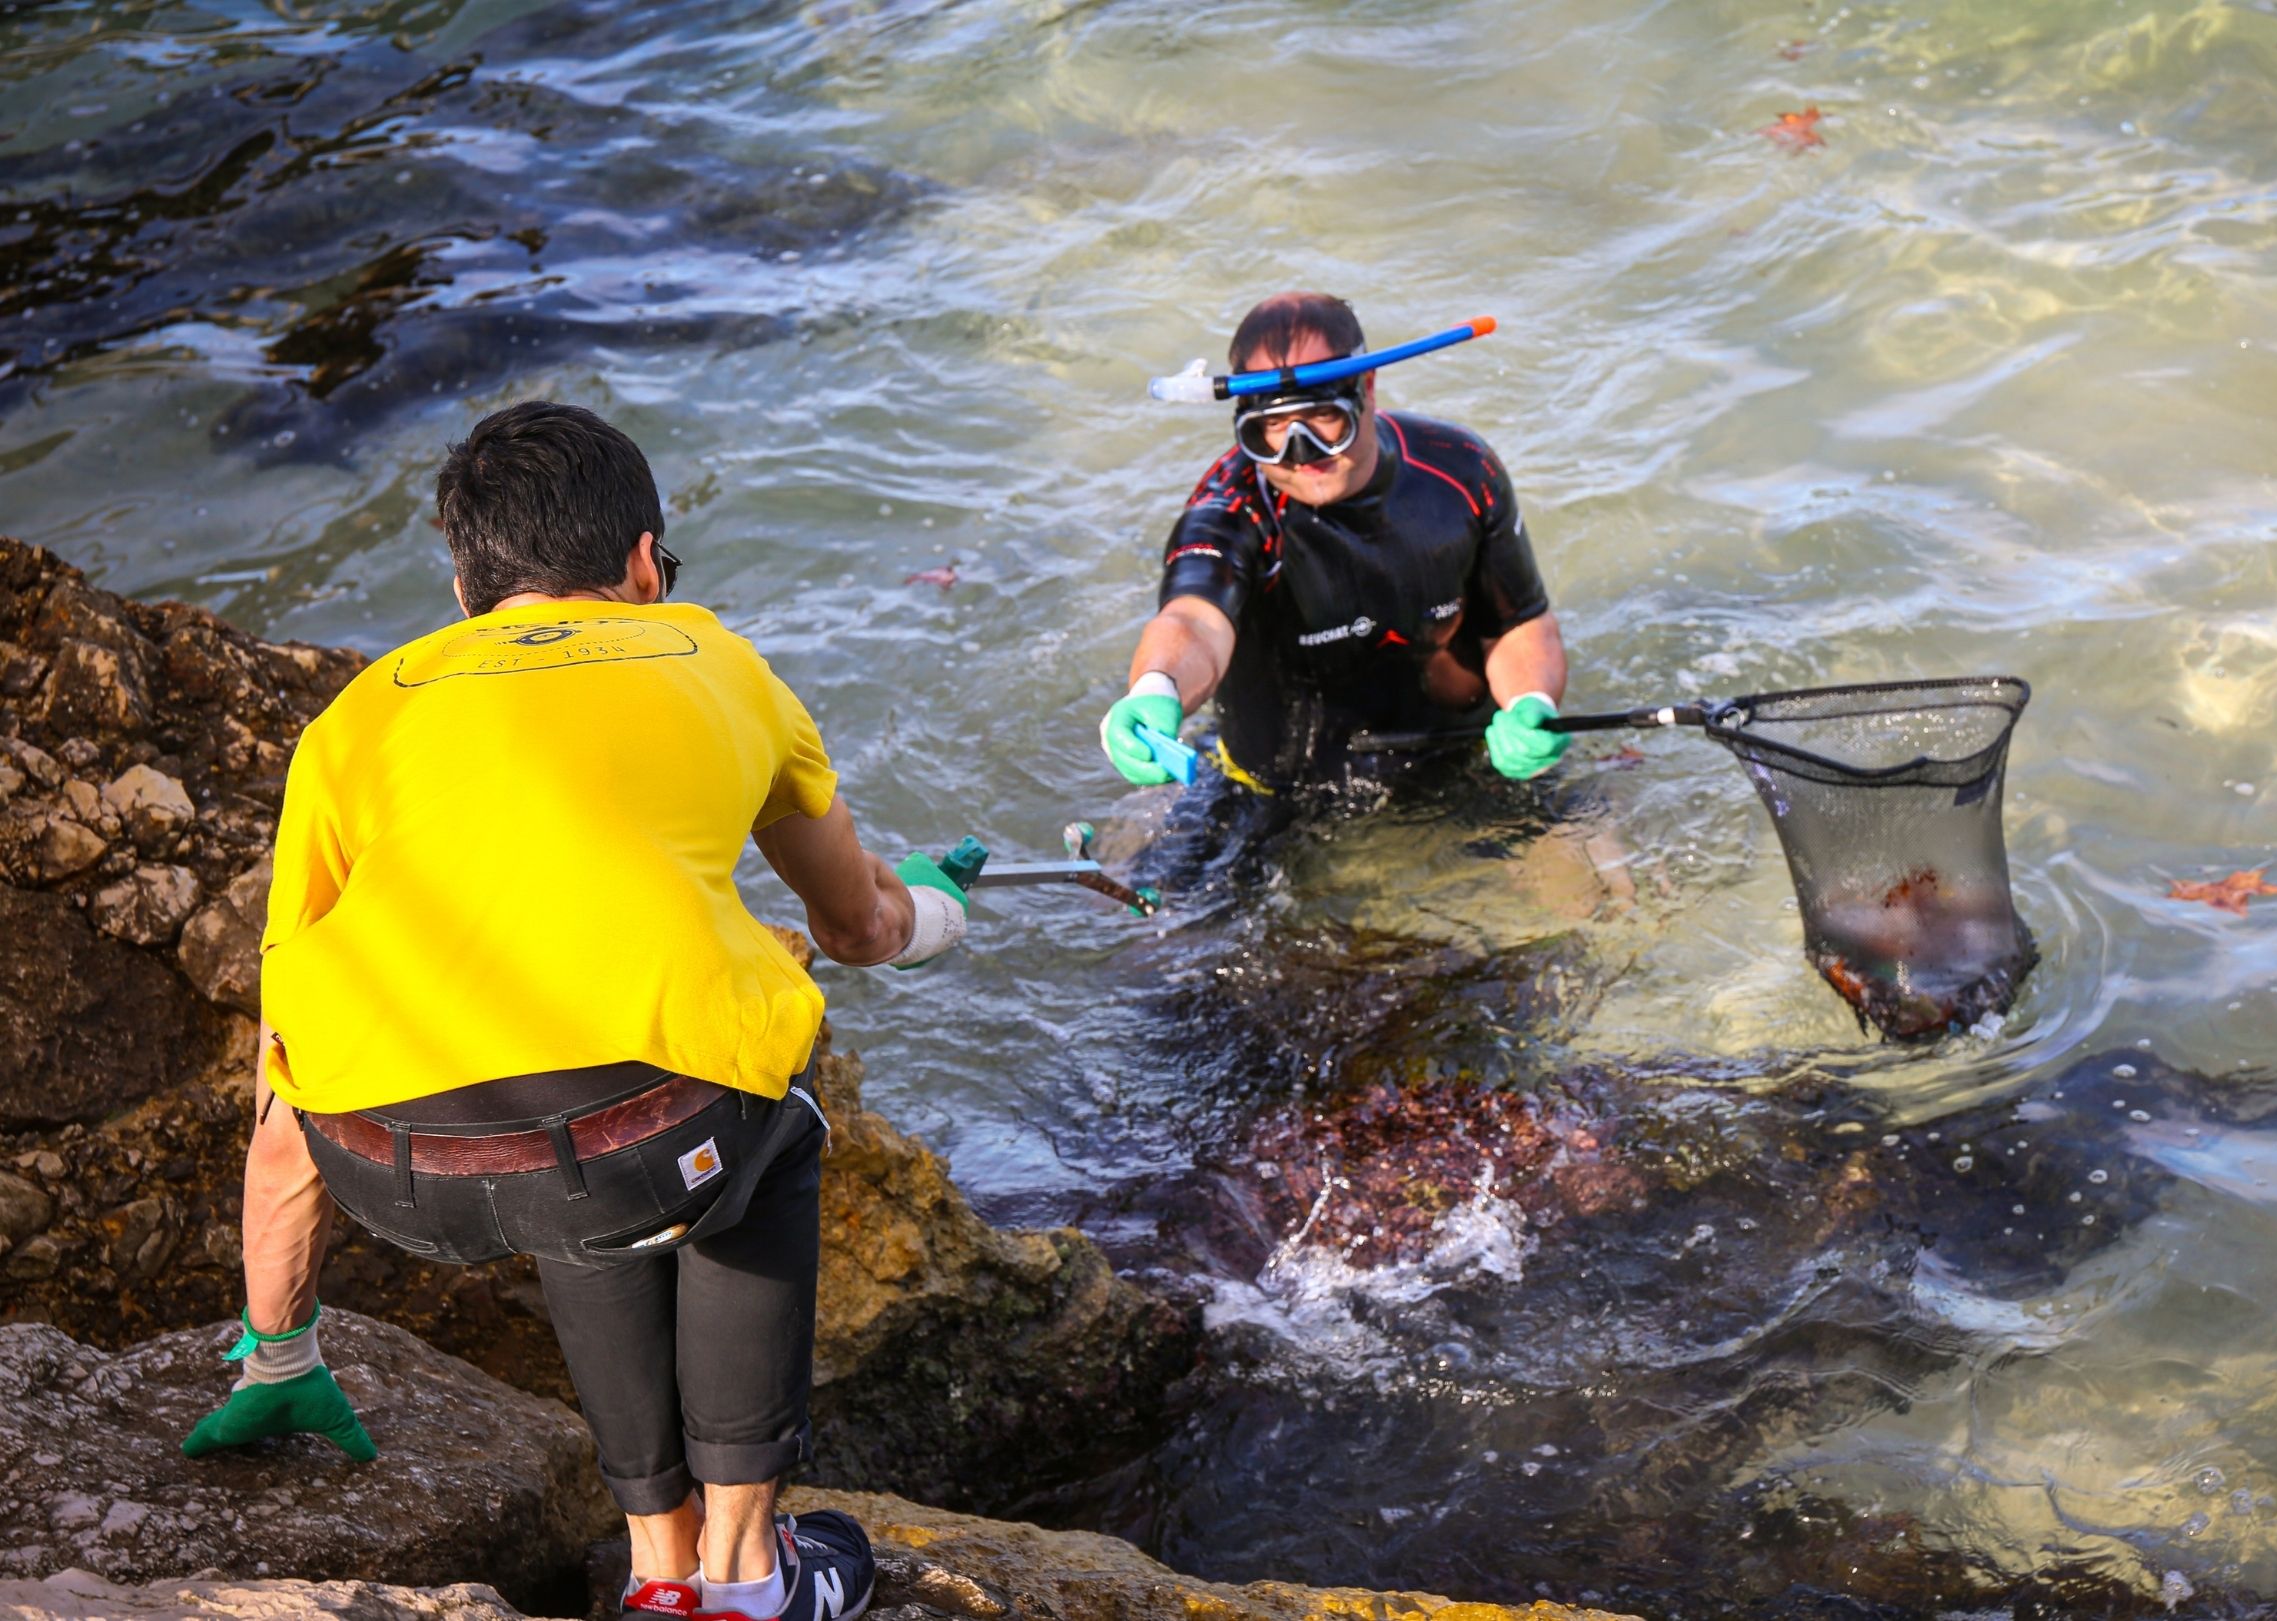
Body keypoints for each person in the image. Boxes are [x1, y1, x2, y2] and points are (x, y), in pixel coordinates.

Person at [181, 401, 971, 1621]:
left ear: (464, 587)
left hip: (387, 1167)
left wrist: (279, 1346)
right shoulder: (719, 661)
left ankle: (657, 1568)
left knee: (555, 1094)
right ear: (646, 562)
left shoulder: (358, 715)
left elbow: (284, 1061)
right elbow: (857, 927)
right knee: (764, 1100)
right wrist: (934, 914)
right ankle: (746, 1573)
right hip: (636, 1145)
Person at [1100, 292, 1570, 801]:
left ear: (1368, 387)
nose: (1301, 453)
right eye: (1271, 427)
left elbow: (1519, 623)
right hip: (1280, 790)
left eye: (1325, 418)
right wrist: (1156, 688)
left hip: (1466, 758)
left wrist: (1532, 701)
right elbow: (1194, 620)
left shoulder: (1459, 467)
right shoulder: (1230, 511)